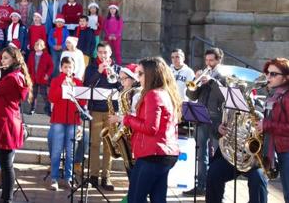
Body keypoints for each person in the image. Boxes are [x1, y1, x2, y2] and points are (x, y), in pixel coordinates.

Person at [109, 57, 181, 202]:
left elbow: (150, 128)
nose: (138, 78)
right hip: (163, 153)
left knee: (135, 199)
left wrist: (126, 119)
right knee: (158, 199)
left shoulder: (153, 95)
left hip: (153, 154)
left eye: (140, 74)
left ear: (151, 74)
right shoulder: (166, 93)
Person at [0, 47, 32, 203]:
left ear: (14, 59)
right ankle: (5, 196)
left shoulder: (13, 78)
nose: (2, 61)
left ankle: (7, 198)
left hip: (7, 124)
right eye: (2, 58)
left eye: (5, 58)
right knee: (4, 162)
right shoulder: (9, 76)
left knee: (6, 164)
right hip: (3, 121)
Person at [183, 48, 226, 197]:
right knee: (201, 155)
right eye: (207, 60)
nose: (208, 63)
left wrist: (212, 82)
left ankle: (216, 189)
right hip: (201, 117)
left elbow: (224, 97)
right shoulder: (203, 76)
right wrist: (196, 81)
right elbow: (191, 95)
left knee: (217, 157)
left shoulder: (224, 77)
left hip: (217, 120)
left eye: (211, 60)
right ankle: (201, 185)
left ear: (218, 60)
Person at [83, 42, 121, 191]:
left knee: (109, 146)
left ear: (110, 53)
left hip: (112, 111)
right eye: (100, 52)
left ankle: (106, 177)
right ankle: (93, 176)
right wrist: (98, 72)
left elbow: (121, 87)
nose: (103, 55)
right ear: (97, 53)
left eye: (105, 52)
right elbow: (86, 85)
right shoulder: (92, 67)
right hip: (96, 110)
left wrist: (115, 76)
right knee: (94, 143)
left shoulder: (117, 68)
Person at [48, 56, 86, 191]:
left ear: (73, 68)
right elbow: (52, 98)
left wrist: (75, 90)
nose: (67, 70)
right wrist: (61, 87)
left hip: (73, 120)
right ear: (61, 68)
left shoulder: (78, 82)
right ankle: (54, 178)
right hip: (58, 119)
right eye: (65, 67)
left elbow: (82, 103)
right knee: (56, 150)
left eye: (70, 67)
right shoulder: (56, 80)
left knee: (71, 151)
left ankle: (69, 178)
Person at [258, 58, 289, 201]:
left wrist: (267, 125)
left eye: (273, 74)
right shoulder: (275, 94)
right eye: (267, 73)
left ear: (286, 77)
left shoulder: (287, 97)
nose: (268, 77)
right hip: (278, 148)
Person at [26, 39, 53, 115]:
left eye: (39, 45)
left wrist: (47, 74)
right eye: (36, 45)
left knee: (44, 94)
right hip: (33, 78)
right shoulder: (31, 55)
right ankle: (32, 109)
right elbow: (29, 66)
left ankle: (48, 109)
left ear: (43, 47)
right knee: (33, 94)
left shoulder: (46, 56)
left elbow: (51, 66)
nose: (37, 46)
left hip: (42, 78)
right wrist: (28, 75)